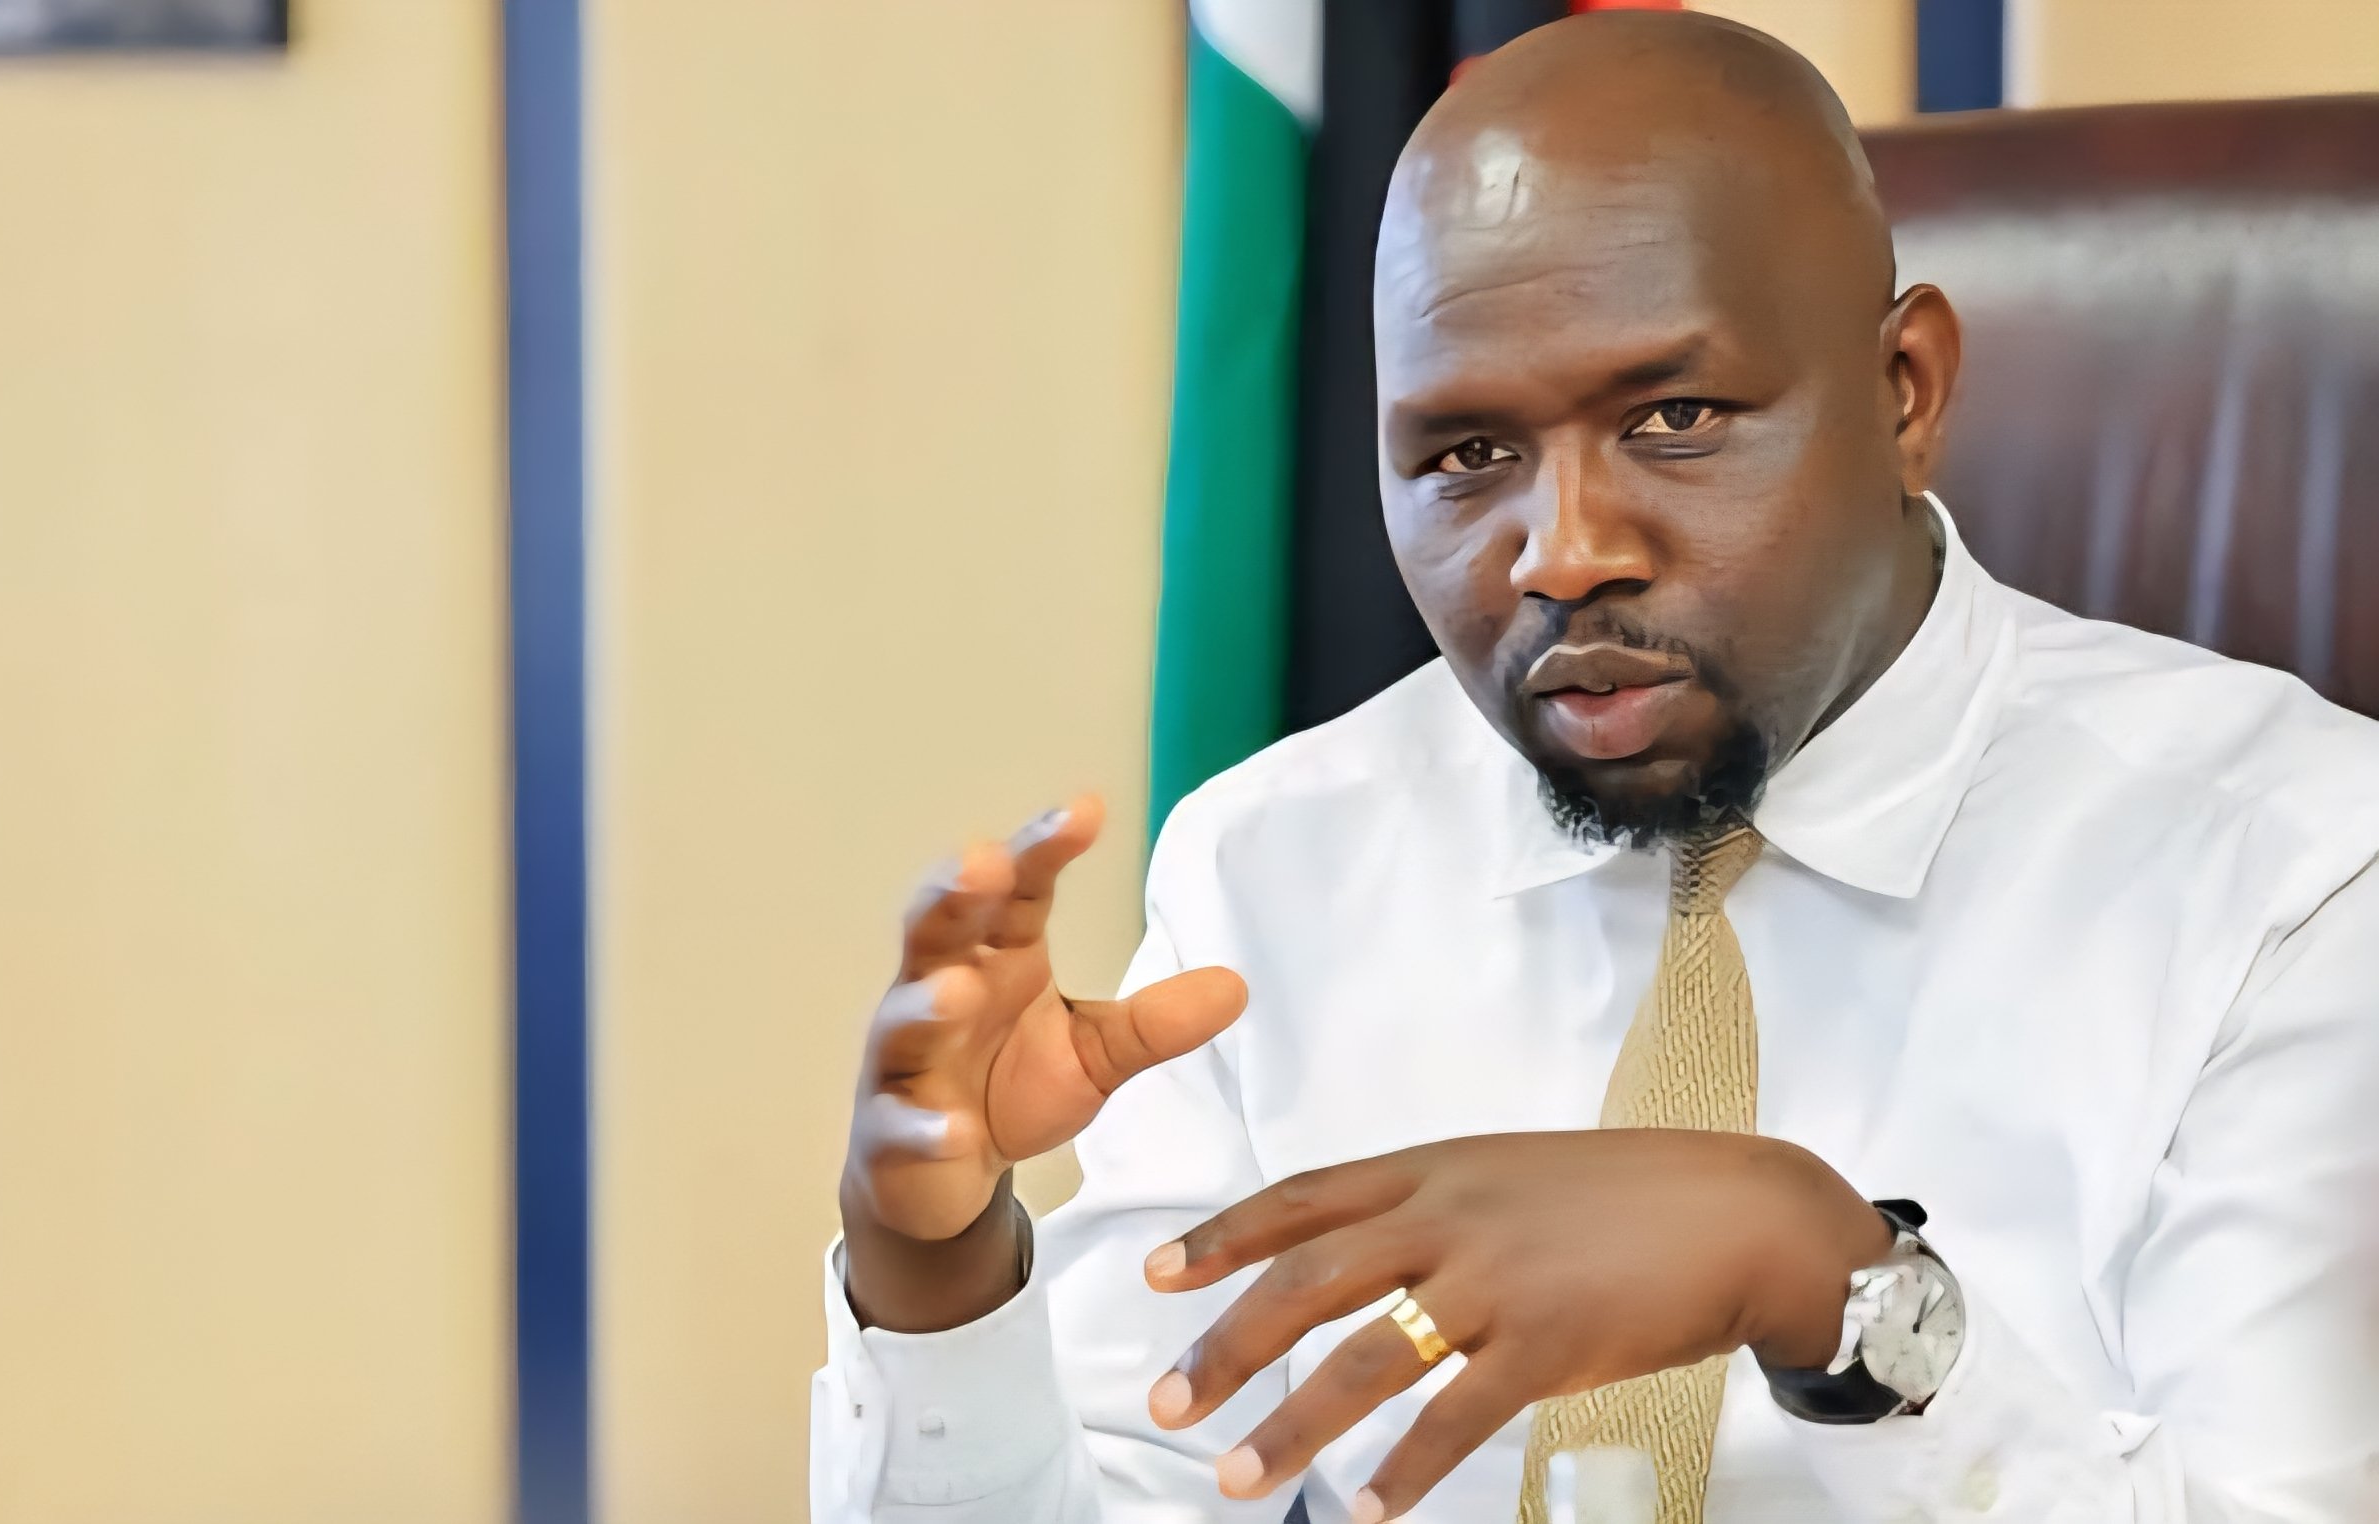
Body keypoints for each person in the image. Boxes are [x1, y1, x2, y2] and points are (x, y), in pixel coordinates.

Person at [812, 12, 2379, 1522]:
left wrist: (1832, 1288)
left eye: (1676, 416)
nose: (1561, 555)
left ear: (1907, 394)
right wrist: (937, 1276)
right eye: (1466, 457)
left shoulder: (2292, 871)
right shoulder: (1277, 863)